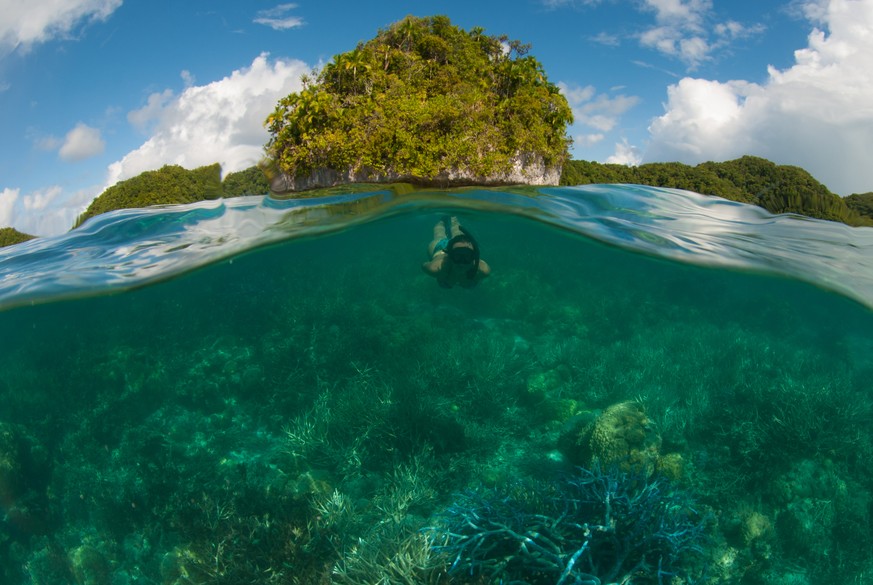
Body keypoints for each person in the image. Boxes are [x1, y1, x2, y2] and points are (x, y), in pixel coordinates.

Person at [422, 216, 490, 288]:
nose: (461, 262)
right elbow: (424, 265)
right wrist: (436, 259)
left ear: (473, 256)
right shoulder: (436, 268)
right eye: (457, 256)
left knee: (457, 231)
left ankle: (452, 216)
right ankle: (443, 218)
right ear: (449, 255)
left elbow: (423, 265)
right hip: (441, 248)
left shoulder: (481, 270)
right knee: (439, 233)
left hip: (455, 246)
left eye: (467, 256)